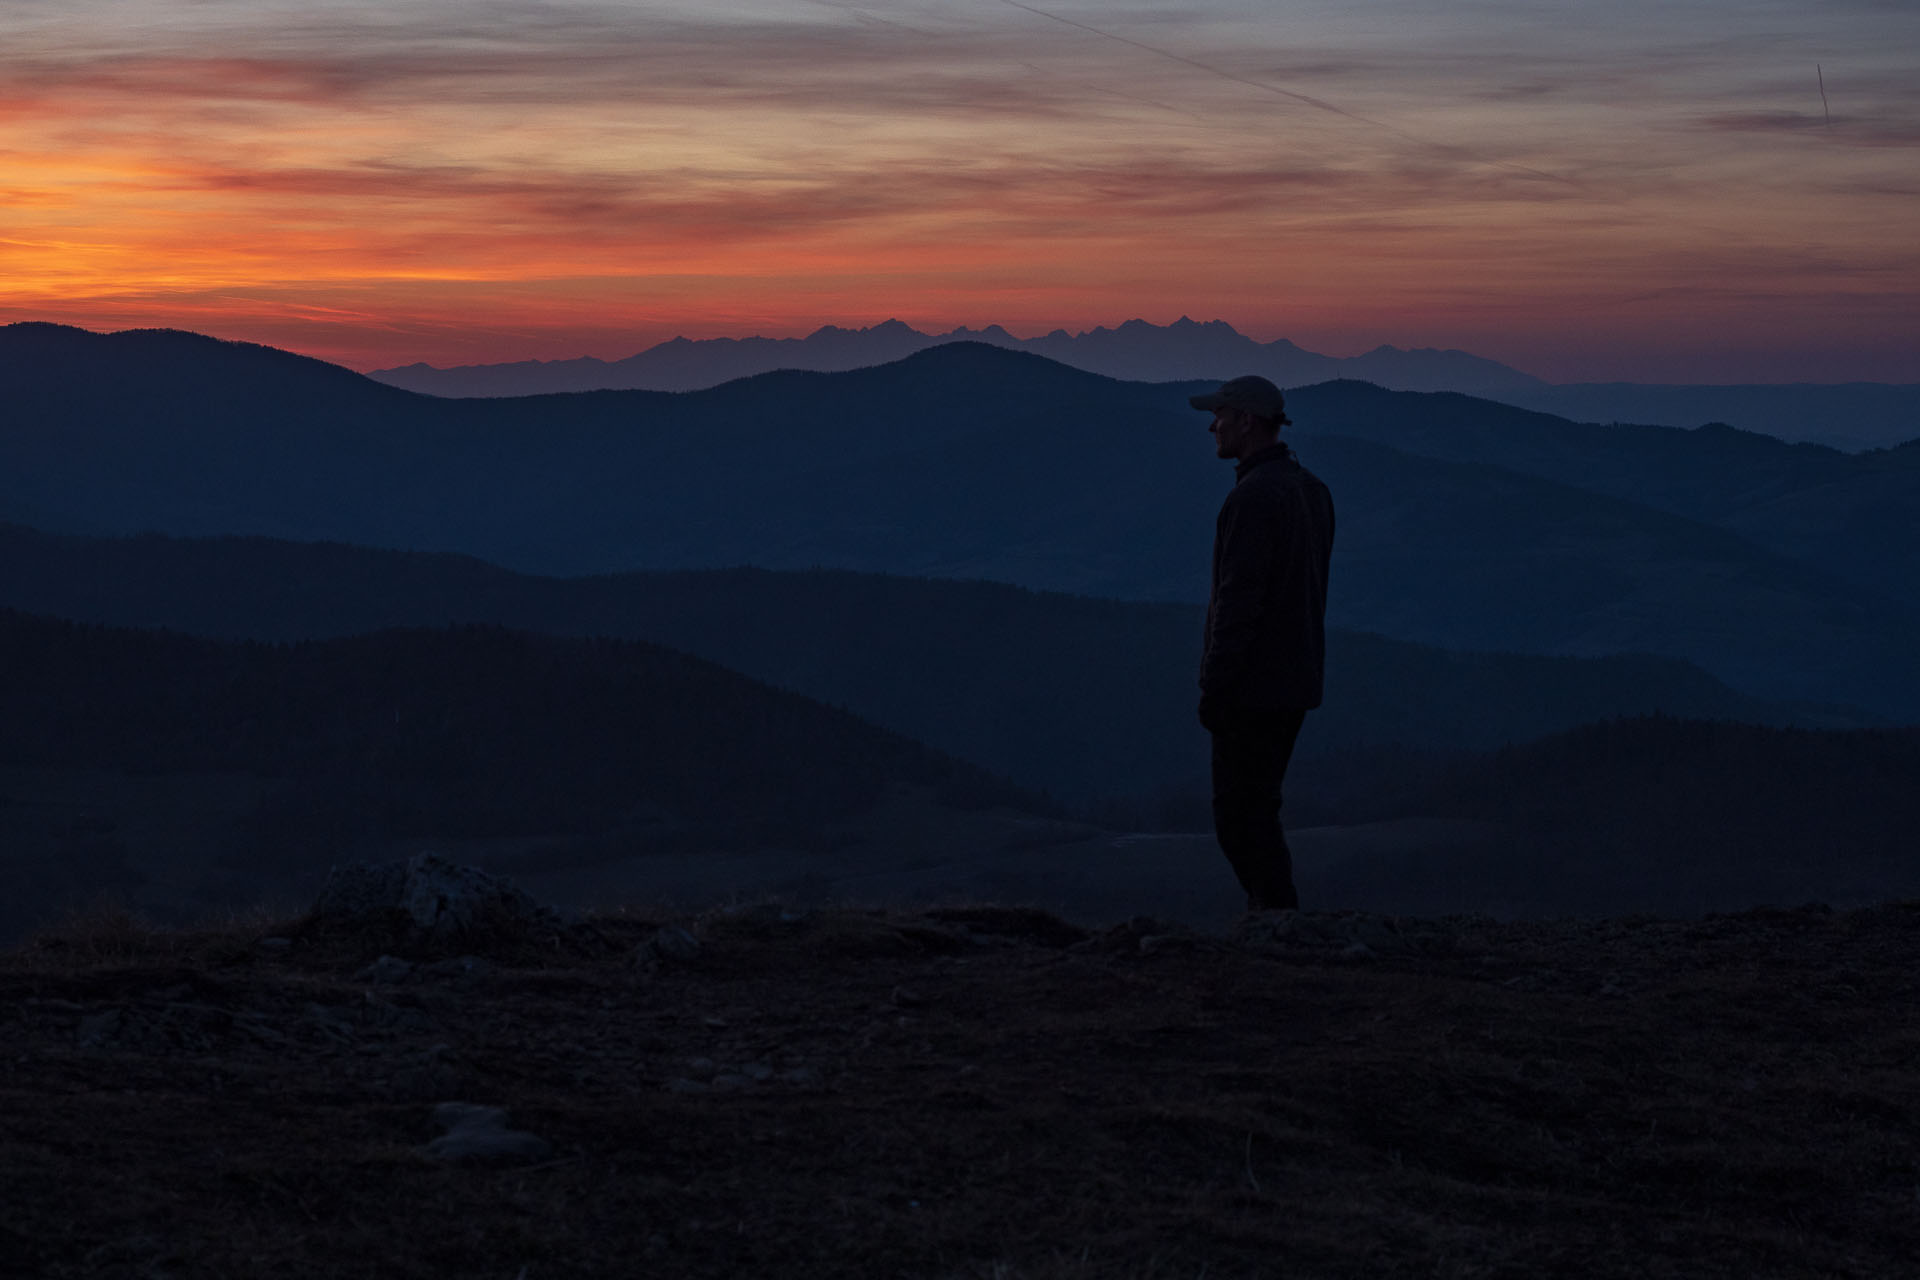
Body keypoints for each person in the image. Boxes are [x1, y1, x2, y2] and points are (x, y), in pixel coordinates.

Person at [1190, 374, 1335, 912]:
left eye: (1221, 416)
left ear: (1246, 421)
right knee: (1259, 808)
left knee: (1238, 816)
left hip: (1253, 687)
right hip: (1296, 682)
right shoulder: (1312, 490)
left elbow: (1238, 604)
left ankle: (1277, 923)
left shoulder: (1252, 499)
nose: (1212, 426)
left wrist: (1215, 685)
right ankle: (1274, 920)